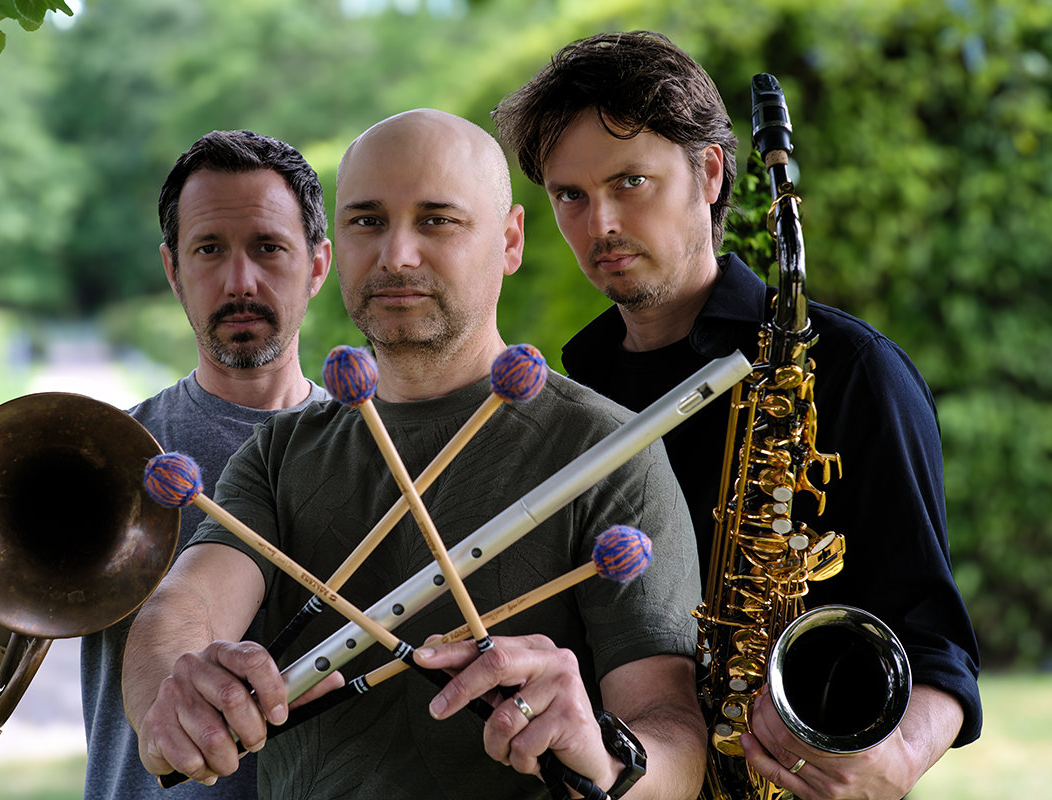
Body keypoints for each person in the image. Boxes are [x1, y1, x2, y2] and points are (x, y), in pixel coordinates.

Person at [122, 108, 708, 800]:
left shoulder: (608, 452)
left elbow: (674, 738)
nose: (397, 255)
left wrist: (606, 759)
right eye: (368, 221)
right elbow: (183, 606)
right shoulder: (280, 451)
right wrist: (174, 691)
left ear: (510, 240)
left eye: (437, 221)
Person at [491, 30, 982, 800]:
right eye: (570, 196)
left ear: (711, 173)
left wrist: (898, 760)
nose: (601, 223)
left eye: (631, 182)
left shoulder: (851, 368)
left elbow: (935, 639)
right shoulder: (575, 390)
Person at [0, 129, 333, 800]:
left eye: (268, 247)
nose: (239, 281)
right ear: (173, 270)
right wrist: (35, 569)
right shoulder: (108, 450)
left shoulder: (374, 452)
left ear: (318, 265)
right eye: (209, 249)